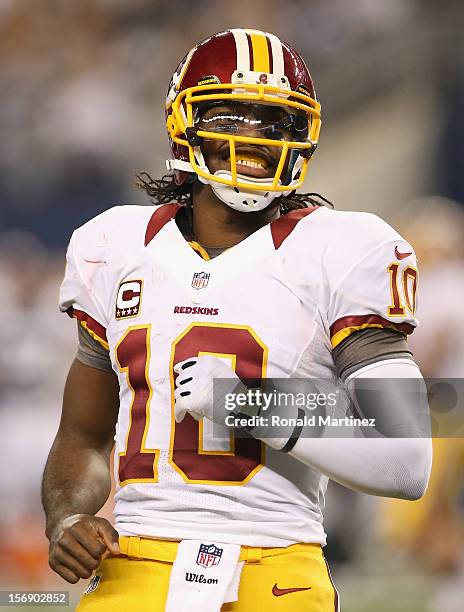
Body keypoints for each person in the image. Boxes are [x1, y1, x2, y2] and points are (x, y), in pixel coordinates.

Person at [42, 29, 432, 612]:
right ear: (184, 124)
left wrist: (253, 405)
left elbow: (408, 458)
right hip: (138, 560)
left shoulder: (342, 249)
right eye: (233, 117)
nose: (254, 139)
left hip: (277, 563)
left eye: (274, 122)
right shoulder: (114, 244)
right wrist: (69, 514)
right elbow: (82, 434)